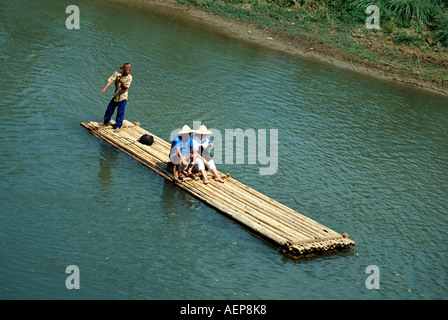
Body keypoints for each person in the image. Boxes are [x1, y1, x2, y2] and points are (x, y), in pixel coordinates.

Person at [100, 63, 133, 132]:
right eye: (127, 70)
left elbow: (126, 87)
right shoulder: (117, 74)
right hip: (116, 95)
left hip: (123, 96)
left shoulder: (129, 77)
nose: (128, 72)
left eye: (129, 70)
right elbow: (110, 81)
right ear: (124, 69)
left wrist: (122, 82)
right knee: (109, 108)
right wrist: (105, 88)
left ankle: (118, 126)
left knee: (120, 111)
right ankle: (105, 122)